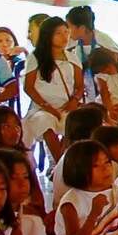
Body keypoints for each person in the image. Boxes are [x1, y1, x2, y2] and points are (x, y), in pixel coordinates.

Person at [22, 16, 84, 161]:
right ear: (48, 35)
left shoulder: (72, 58)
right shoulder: (35, 57)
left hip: (68, 106)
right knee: (45, 122)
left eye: (66, 32)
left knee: (76, 123)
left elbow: (80, 86)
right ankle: (59, 162)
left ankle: (65, 159)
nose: (64, 37)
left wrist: (74, 100)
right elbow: (29, 88)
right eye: (58, 33)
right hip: (43, 108)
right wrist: (47, 107)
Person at [66, 5, 118, 101]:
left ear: (82, 28)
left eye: (70, 27)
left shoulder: (104, 42)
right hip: (85, 91)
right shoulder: (70, 43)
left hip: (108, 92)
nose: (68, 31)